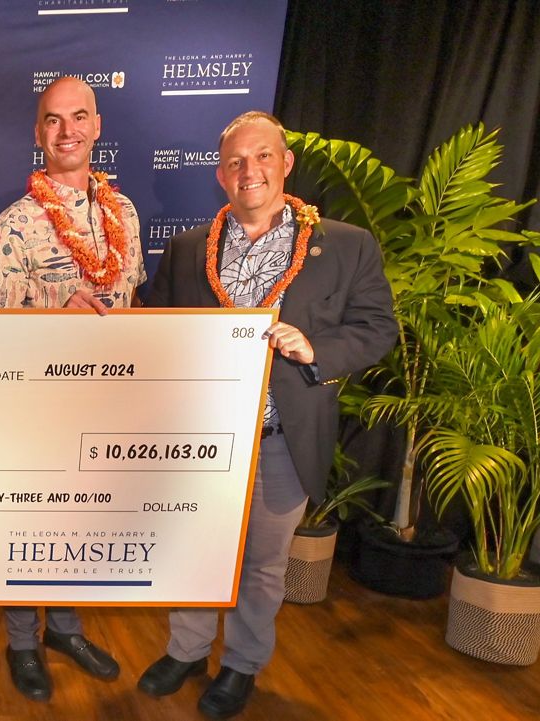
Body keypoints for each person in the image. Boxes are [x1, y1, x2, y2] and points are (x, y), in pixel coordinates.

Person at [136, 111, 397, 719]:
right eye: (234, 161)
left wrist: (317, 350)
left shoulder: (347, 245)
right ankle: (187, 649)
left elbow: (378, 328)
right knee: (193, 549)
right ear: (220, 175)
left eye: (261, 157)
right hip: (199, 438)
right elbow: (154, 326)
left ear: (285, 163)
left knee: (260, 565)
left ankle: (242, 663)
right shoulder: (184, 250)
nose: (248, 170)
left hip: (283, 438)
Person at [0, 75, 142, 702]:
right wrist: (51, 316)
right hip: (36, 412)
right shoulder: (10, 229)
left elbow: (131, 302)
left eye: (79, 117)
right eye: (53, 119)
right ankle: (23, 639)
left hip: (106, 404)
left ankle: (65, 628)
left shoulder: (123, 214)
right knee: (31, 527)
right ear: (37, 131)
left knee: (85, 527)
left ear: (97, 126)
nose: (67, 130)